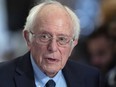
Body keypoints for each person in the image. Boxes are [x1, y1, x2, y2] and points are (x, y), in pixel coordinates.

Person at [0, 1, 102, 87]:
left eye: (62, 39)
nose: (53, 47)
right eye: (44, 37)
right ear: (28, 38)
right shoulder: (3, 76)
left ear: (74, 43)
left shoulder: (91, 78)